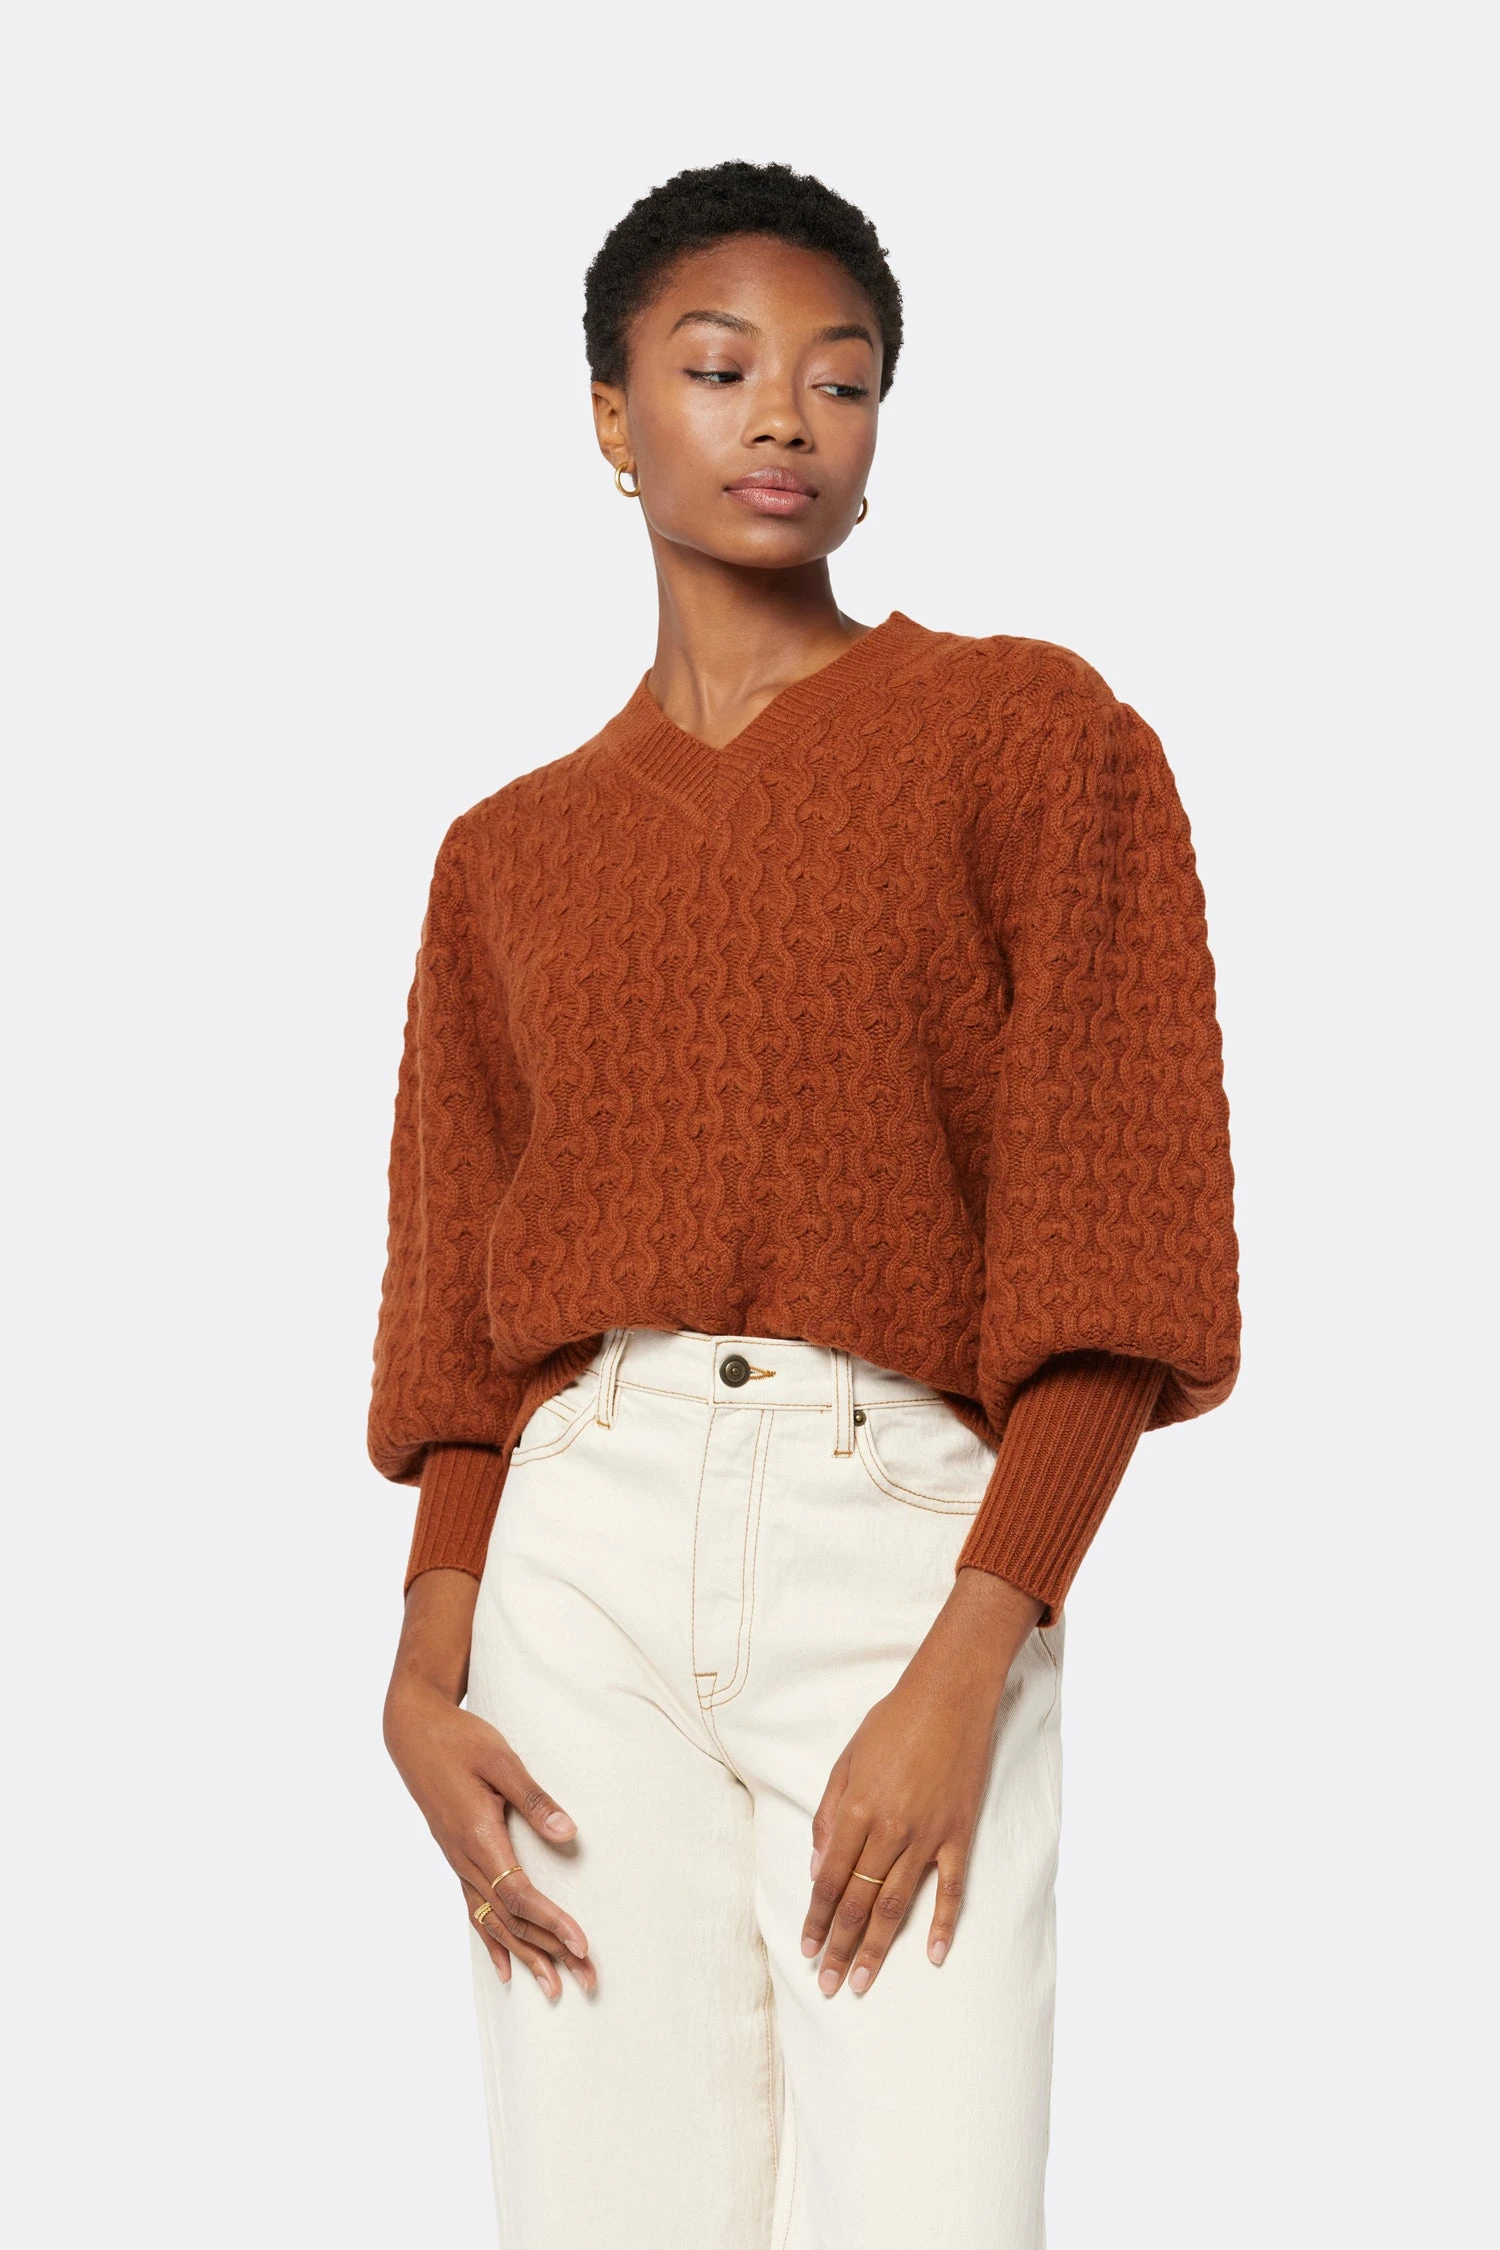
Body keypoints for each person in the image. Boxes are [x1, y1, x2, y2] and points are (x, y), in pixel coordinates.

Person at [369, 159, 1240, 2250]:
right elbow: (466, 1327)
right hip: (573, 1581)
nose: (785, 416)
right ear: (611, 415)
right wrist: (423, 1670)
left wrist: (975, 1653)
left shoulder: (1031, 736)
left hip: (905, 1553)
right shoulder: (507, 855)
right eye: (720, 368)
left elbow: (1117, 1245)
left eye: (840, 381)